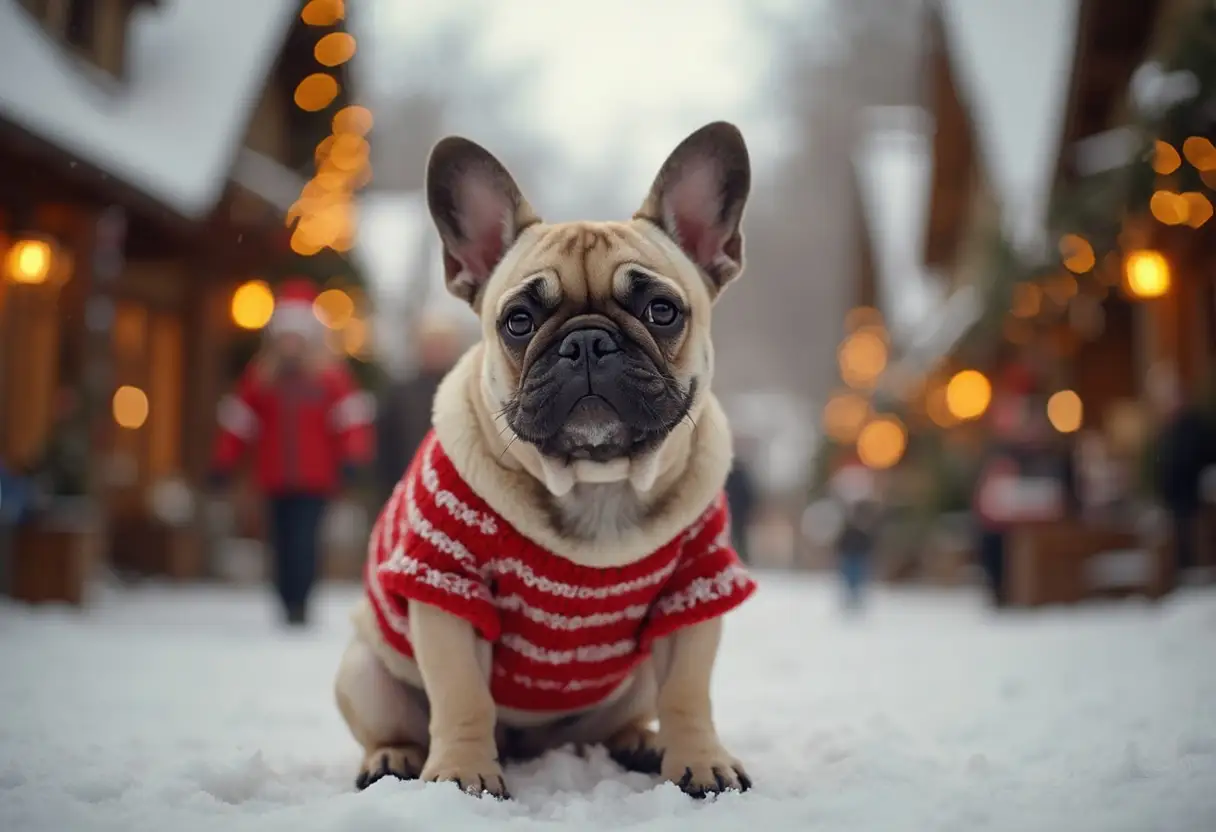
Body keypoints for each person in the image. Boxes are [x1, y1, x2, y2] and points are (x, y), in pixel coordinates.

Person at [209, 279, 374, 626]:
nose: (291, 344)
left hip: (316, 479)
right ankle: (284, 598)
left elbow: (350, 421)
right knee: (280, 542)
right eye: (285, 338)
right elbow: (240, 423)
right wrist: (223, 462)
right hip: (274, 477)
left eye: (296, 338)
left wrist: (353, 459)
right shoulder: (262, 378)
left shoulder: (329, 378)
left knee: (305, 542)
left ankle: (300, 601)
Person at [373, 316, 465, 507]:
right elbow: (385, 444)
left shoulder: (467, 392)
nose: (436, 351)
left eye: (442, 345)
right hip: (408, 486)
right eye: (431, 345)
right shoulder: (400, 392)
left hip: (459, 489)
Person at [724, 454, 758, 563]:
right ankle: (741, 558)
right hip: (739, 512)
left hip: (732, 511)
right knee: (739, 537)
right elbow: (749, 496)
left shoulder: (729, 477)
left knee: (733, 536)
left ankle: (736, 558)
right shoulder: (743, 478)